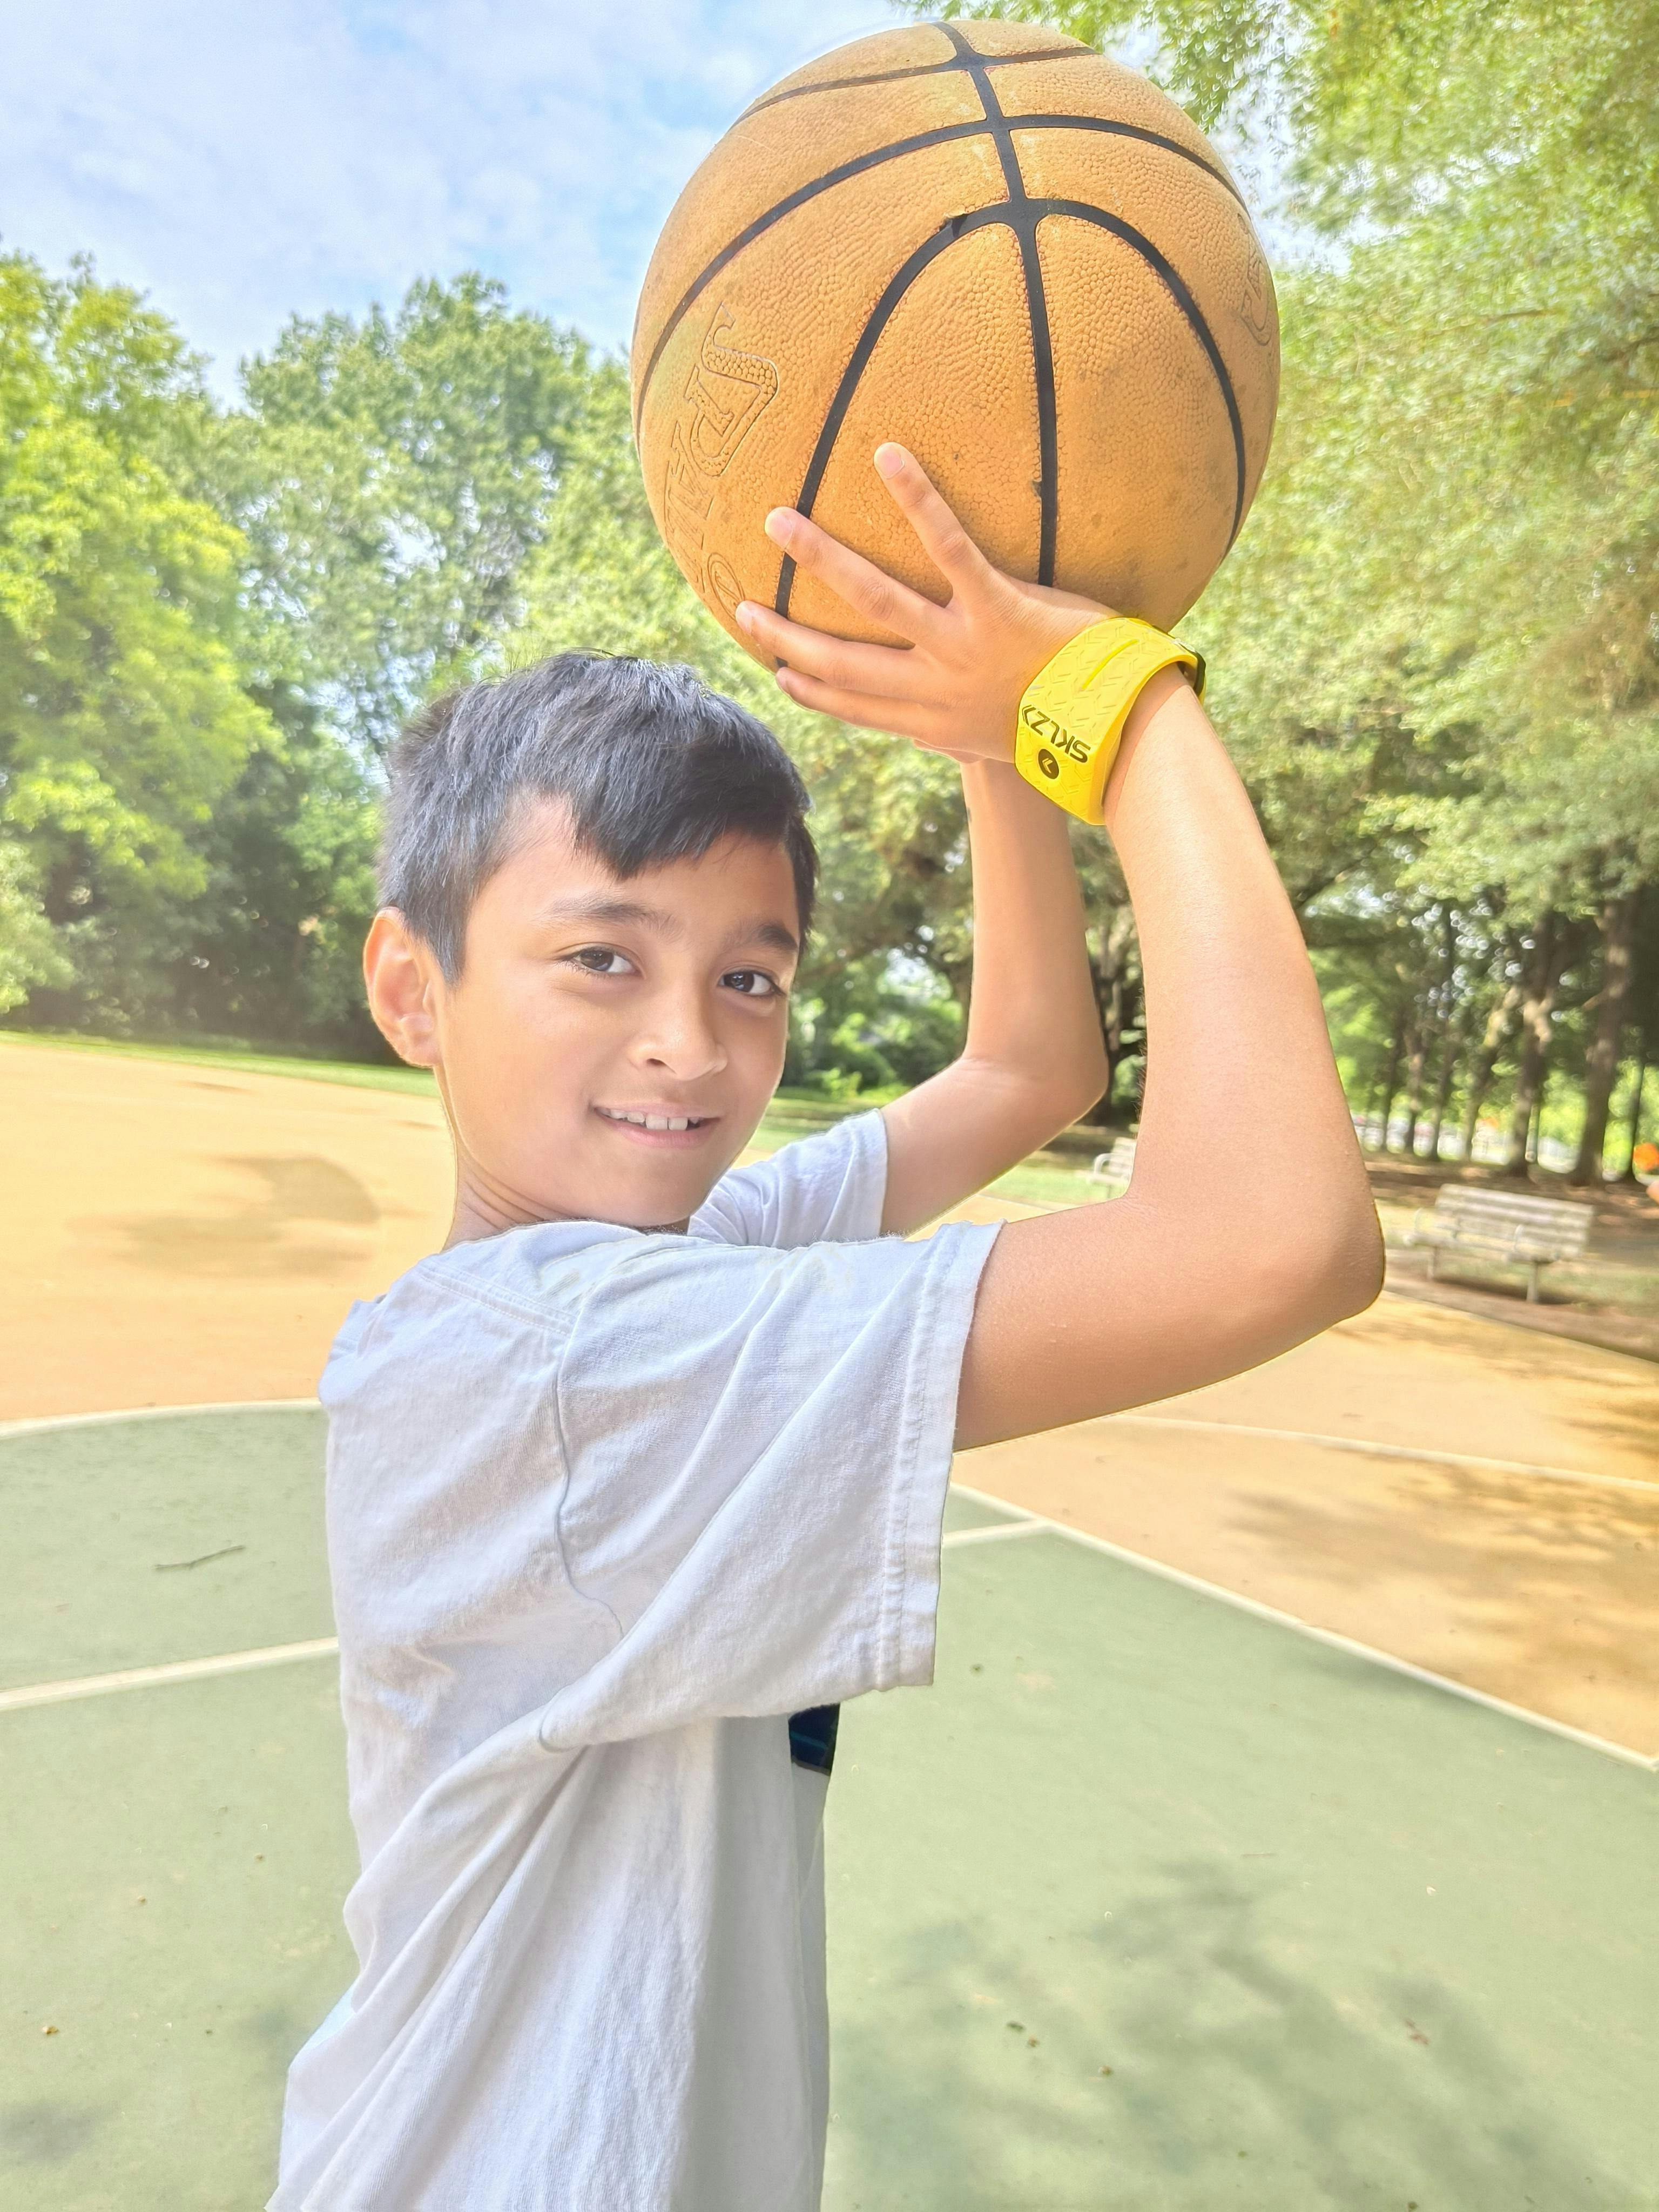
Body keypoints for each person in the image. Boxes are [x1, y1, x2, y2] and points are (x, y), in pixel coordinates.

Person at [269, 445, 1382, 2211]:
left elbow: (1031, 1067)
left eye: (752, 976)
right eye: (604, 958)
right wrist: (1121, 704)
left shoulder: (667, 1263)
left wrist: (990, 719)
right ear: (416, 986)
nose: (690, 1043)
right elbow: (1277, 1238)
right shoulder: (573, 1366)